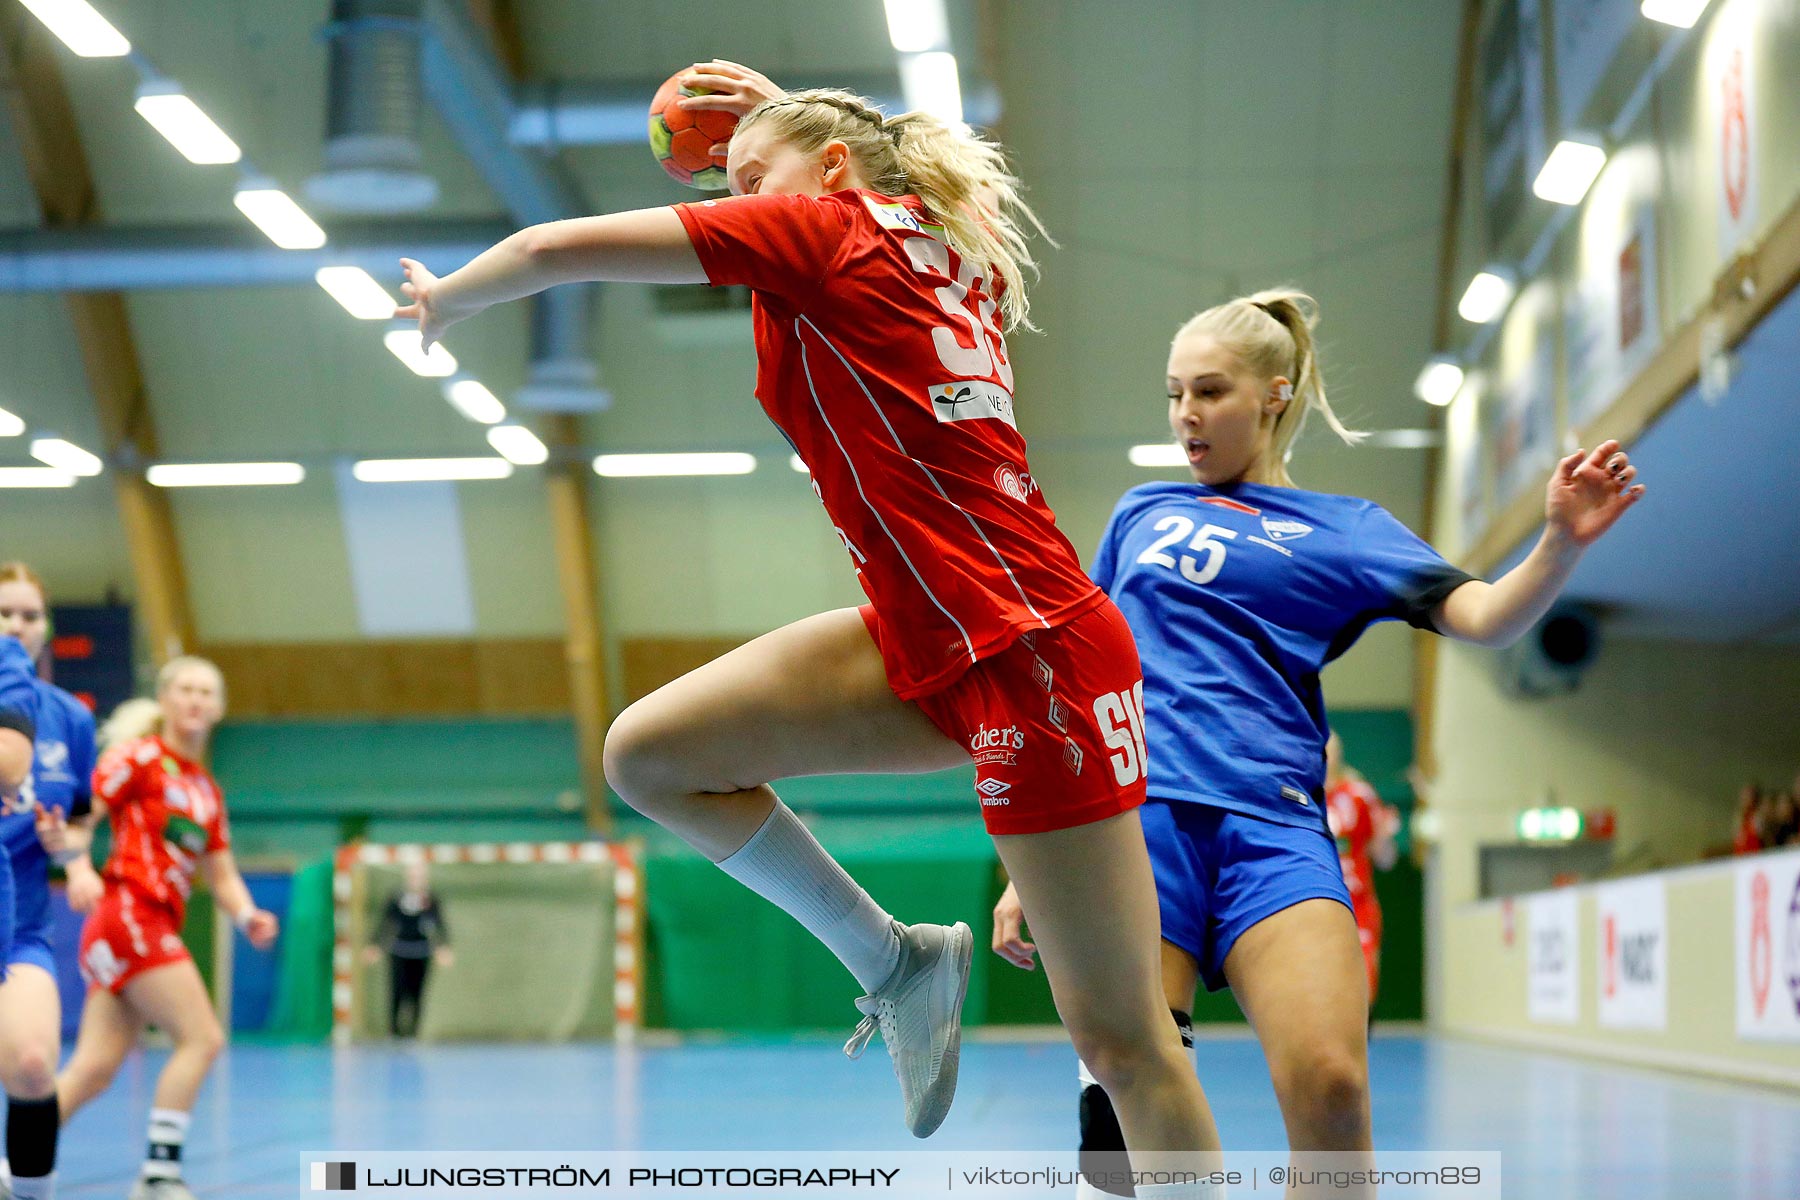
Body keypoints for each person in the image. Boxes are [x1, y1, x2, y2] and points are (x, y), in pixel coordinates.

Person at [396, 60, 1221, 1183]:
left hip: (1029, 656)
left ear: (828, 174)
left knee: (1125, 1048)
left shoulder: (828, 232)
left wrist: (448, 298)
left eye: (748, 178)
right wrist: (791, 118)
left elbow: (550, 250)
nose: (734, 200)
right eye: (728, 181)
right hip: (927, 633)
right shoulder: (924, 234)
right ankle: (896, 964)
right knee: (650, 755)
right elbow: (870, 169)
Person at [991, 289, 1643, 1198]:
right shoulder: (1143, 510)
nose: (1186, 415)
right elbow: (1082, 676)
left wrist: (1558, 546)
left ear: (1275, 394)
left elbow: (1486, 617)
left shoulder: (1350, 531)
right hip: (1140, 824)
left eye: (1210, 391)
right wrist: (1039, 865)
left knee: (1334, 1090)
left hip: (1275, 826)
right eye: (1174, 393)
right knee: (1124, 1120)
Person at [54, 658, 278, 1200]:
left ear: (219, 708)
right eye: (186, 690)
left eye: (207, 692)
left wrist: (248, 916)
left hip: (141, 924)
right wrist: (79, 869)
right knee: (202, 1038)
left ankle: (18, 1158)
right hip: (131, 911)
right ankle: (159, 1174)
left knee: (95, 1068)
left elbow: (220, 874)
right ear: (166, 698)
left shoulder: (206, 791)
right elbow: (82, 816)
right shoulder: (138, 758)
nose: (196, 700)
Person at [0, 565, 99, 1200]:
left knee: (35, 1066)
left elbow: (84, 821)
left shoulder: (71, 720)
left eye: (30, 615)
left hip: (24, 920)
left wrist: (76, 855)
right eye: (4, 613)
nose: (17, 626)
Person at [1322, 734, 1398, 1013]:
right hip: (1318, 904)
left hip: (1358, 905)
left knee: (1363, 980)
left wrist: (1385, 835)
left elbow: (1385, 860)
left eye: (1331, 752)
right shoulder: (1300, 795)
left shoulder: (1358, 795)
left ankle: (1361, 1038)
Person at [363, 861, 453, 1038]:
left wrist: (443, 947)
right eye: (413, 876)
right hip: (399, 951)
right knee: (397, 991)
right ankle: (394, 1031)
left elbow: (440, 924)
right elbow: (385, 923)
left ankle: (413, 1032)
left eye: (420, 876)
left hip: (422, 952)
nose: (416, 879)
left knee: (417, 993)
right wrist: (375, 945)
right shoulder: (396, 897)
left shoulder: (431, 899)